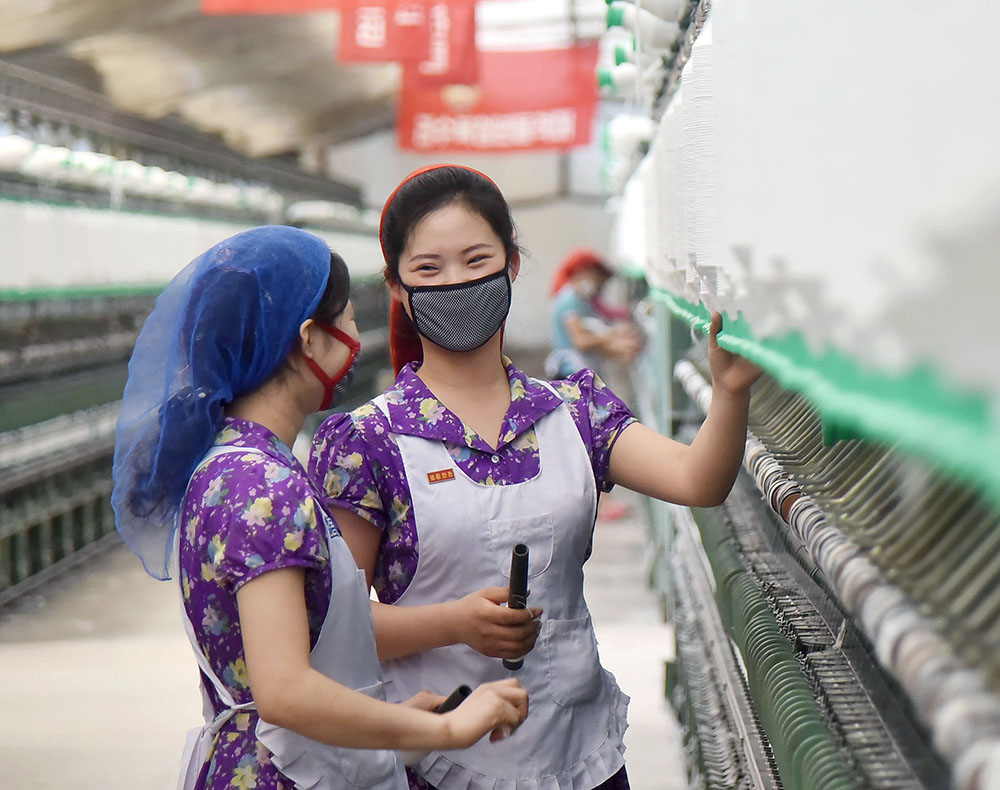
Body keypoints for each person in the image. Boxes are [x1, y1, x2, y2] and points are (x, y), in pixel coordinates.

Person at [309, 166, 761, 790]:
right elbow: (334, 624)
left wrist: (730, 393)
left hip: (582, 758)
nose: (457, 283)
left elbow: (697, 480)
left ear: (512, 264)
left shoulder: (575, 413)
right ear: (398, 288)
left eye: (476, 260)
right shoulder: (368, 444)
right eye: (429, 269)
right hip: (441, 762)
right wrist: (454, 625)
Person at [111, 225, 528, 790]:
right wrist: (446, 729)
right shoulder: (264, 488)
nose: (357, 336)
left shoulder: (226, 466)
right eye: (349, 319)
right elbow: (285, 691)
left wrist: (396, 723)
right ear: (310, 339)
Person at [545, 248, 644, 380]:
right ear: (583, 272)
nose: (599, 285)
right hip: (571, 374)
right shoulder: (569, 299)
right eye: (597, 278)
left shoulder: (582, 300)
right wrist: (612, 337)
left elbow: (591, 333)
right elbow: (581, 340)